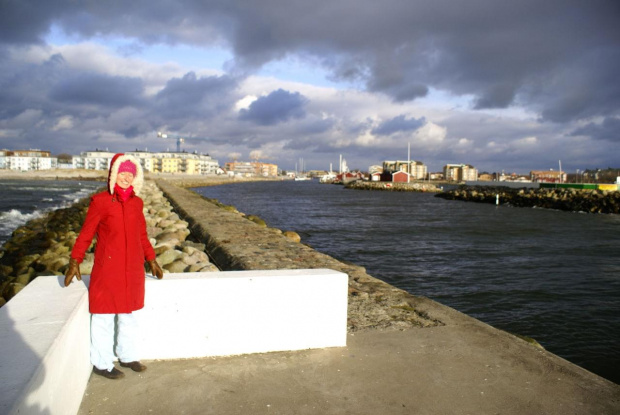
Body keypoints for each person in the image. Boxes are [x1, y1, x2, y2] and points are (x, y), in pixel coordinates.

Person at [64, 153, 164, 380]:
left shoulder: (137, 203)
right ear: (113, 174)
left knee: (129, 316)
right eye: (122, 173)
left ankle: (127, 356)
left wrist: (152, 259)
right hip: (108, 270)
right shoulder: (100, 202)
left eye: (131, 174)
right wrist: (74, 261)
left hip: (132, 270)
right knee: (104, 317)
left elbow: (142, 235)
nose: (126, 178)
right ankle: (102, 363)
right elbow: (86, 234)